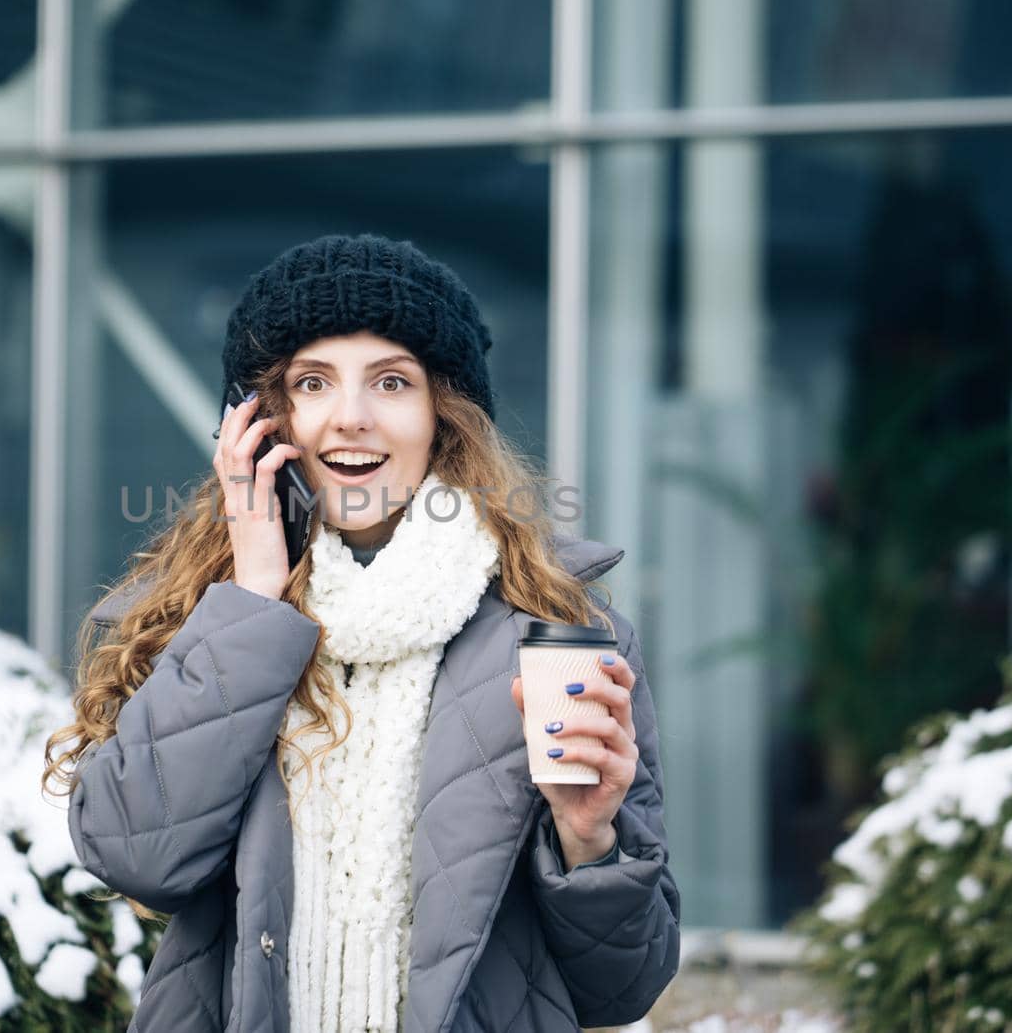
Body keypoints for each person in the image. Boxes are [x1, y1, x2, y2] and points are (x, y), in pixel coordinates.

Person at [44, 234, 679, 1032]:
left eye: (391, 381)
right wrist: (254, 598)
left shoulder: (560, 630)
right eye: (313, 382)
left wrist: (590, 842)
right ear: (261, 425)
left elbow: (624, 988)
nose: (351, 417)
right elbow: (134, 854)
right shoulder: (199, 619)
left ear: (444, 416)